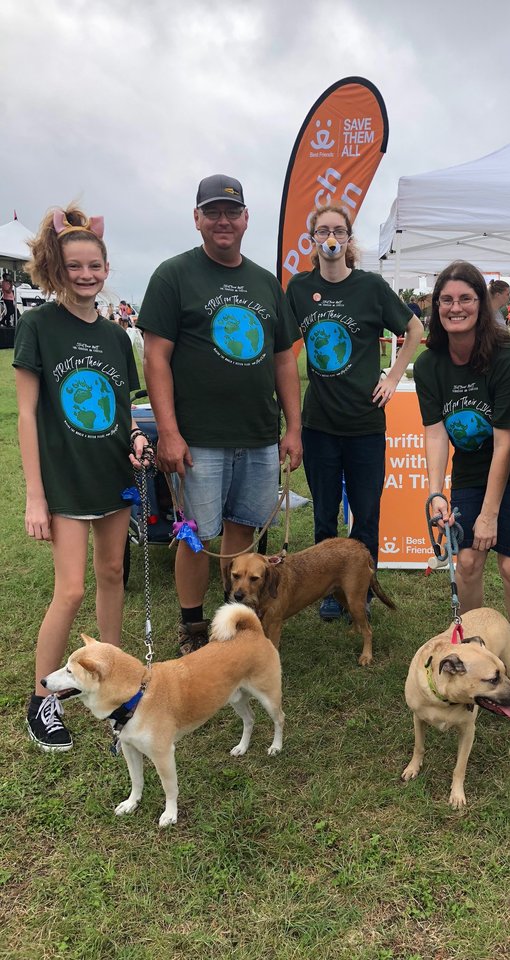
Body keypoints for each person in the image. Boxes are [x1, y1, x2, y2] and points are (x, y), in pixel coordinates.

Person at [138, 174, 302, 655]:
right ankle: (193, 630)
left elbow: (284, 359)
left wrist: (292, 428)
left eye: (232, 212)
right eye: (212, 212)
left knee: (242, 528)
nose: (223, 221)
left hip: (257, 434)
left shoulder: (265, 282)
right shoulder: (173, 275)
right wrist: (167, 432)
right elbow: (156, 357)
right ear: (197, 219)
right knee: (194, 536)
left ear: (247, 218)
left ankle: (234, 619)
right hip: (198, 437)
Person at [13, 205, 152, 751]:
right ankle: (42, 699)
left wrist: (137, 439)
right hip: (66, 481)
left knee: (112, 572)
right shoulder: (37, 327)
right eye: (75, 266)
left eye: (95, 265)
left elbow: (123, 409)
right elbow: (27, 414)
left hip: (112, 473)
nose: (87, 275)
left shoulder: (119, 337)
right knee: (70, 590)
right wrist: (34, 496)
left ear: (106, 267)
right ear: (57, 268)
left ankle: (112, 683)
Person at [413, 261, 510, 690]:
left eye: (466, 299)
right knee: (469, 561)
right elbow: (436, 433)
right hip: (473, 470)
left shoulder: (507, 357)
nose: (456, 307)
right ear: (437, 307)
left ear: (482, 302)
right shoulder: (429, 365)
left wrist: (489, 514)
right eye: (447, 300)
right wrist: (436, 493)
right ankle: (474, 648)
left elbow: (506, 442)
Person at [286, 202, 422, 620]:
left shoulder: (371, 288)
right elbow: (281, 350)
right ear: (312, 240)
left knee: (366, 514)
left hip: (365, 426)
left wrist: (394, 377)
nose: (331, 238)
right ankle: (329, 590)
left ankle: (359, 591)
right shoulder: (298, 289)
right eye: (323, 231)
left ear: (349, 239)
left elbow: (415, 328)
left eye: (339, 231)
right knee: (325, 515)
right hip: (319, 425)